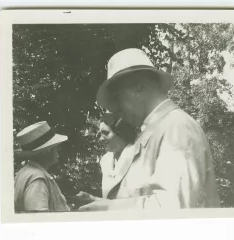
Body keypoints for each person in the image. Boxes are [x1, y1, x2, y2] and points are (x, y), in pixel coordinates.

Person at [79, 48, 221, 211]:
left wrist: (110, 208)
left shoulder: (177, 128)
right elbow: (142, 197)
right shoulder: (154, 131)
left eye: (117, 98)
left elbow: (173, 209)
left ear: (137, 86)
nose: (116, 110)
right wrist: (100, 202)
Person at [76, 113, 136, 203]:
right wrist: (91, 198)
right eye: (100, 134)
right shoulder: (105, 160)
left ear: (121, 133)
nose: (101, 139)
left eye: (106, 133)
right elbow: (109, 201)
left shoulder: (137, 155)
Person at [14, 121, 70, 213]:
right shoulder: (37, 178)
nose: (59, 149)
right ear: (45, 151)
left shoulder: (26, 171)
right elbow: (39, 221)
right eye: (55, 146)